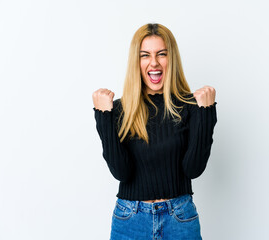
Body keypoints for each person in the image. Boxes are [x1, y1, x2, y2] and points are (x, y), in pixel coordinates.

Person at [92, 23, 217, 240]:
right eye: (145, 55)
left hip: (179, 218)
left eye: (161, 54)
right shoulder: (120, 110)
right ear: (136, 62)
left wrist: (206, 112)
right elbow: (121, 173)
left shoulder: (190, 107)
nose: (154, 62)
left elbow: (193, 169)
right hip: (130, 220)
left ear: (172, 59)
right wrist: (103, 117)